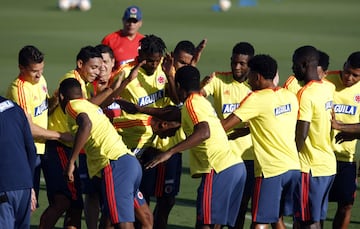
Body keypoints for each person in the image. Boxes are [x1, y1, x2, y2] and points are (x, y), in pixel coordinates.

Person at [146, 65, 246, 228]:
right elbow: (174, 114)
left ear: (178, 86)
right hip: (235, 167)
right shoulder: (201, 101)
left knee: (204, 223)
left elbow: (204, 132)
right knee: (216, 224)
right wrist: (139, 109)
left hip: (218, 168)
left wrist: (170, 152)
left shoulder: (191, 103)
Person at [220, 54, 301, 229]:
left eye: (250, 75)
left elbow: (224, 125)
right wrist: (245, 131)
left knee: (260, 223)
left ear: (257, 77)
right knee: (277, 219)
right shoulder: (290, 96)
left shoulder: (255, 98)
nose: (247, 80)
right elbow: (273, 123)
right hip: (294, 168)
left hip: (270, 171)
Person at [58, 78, 142, 229]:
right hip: (129, 162)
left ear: (62, 97)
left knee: (122, 222)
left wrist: (71, 162)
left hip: (113, 164)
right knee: (137, 217)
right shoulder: (88, 105)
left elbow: (86, 124)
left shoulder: (71, 105)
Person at [86, 44, 153, 229]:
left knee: (140, 218)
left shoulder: (122, 84)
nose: (102, 67)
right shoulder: (89, 89)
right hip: (98, 157)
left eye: (106, 62)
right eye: (98, 64)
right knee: (97, 200)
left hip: (122, 158)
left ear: (113, 63)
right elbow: (89, 112)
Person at [40, 45, 105, 229]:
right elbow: (86, 109)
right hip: (58, 144)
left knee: (71, 203)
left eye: (99, 68)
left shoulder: (81, 82)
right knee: (66, 202)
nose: (97, 72)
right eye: (93, 67)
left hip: (63, 146)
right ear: (80, 64)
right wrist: (110, 91)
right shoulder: (71, 81)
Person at [6, 45, 73, 209]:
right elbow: (27, 128)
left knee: (62, 197)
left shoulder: (40, 80)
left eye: (41, 69)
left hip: (44, 147)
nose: (39, 74)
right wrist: (61, 135)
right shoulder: (19, 89)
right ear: (21, 68)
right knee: (27, 202)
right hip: (27, 150)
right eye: (34, 70)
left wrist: (55, 100)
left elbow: (45, 110)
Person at [200, 42, 255, 229]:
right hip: (222, 157)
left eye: (242, 64)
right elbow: (198, 95)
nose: (237, 67)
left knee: (239, 207)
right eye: (234, 62)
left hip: (248, 157)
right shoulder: (219, 80)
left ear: (250, 64)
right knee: (213, 208)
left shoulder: (257, 86)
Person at [293, 45, 336, 229]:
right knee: (315, 220)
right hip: (327, 165)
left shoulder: (305, 93)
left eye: (294, 65)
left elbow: (301, 135)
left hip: (309, 167)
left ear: (304, 65)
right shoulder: (327, 88)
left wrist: (289, 160)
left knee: (306, 221)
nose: (293, 69)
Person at [325, 51, 360, 229]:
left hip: (346, 158)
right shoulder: (325, 80)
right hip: (321, 156)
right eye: (348, 72)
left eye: (356, 75)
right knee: (317, 205)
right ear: (344, 64)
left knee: (346, 205)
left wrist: (341, 127)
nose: (349, 78)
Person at [0, 96, 37, 228]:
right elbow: (31, 150)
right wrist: (30, 185)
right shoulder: (15, 108)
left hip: (3, 186)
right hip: (24, 185)